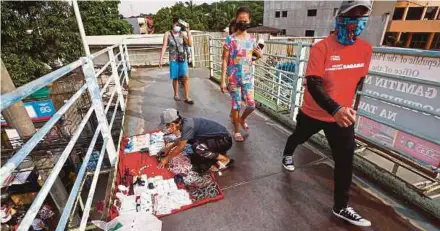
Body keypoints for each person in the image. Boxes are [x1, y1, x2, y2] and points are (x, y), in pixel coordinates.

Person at [281, 0, 373, 227]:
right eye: (353, 14)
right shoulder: (321, 47)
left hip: (342, 118)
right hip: (314, 112)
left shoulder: (365, 49)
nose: (357, 20)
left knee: (345, 161)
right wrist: (335, 108)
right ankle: (287, 153)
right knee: (298, 137)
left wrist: (351, 108)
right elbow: (313, 83)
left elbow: (359, 83)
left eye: (363, 16)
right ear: (340, 16)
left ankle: (341, 206)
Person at [221, 7, 263, 142]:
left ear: (249, 21)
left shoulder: (252, 39)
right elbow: (224, 60)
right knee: (236, 105)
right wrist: (222, 81)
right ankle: (236, 130)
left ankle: (241, 119)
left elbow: (252, 57)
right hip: (233, 78)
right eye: (240, 20)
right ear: (236, 20)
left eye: (245, 21)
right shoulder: (230, 39)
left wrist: (260, 55)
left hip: (248, 78)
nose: (243, 23)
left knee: (251, 104)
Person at [157, 108, 234, 172]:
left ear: (172, 125)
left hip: (224, 141)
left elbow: (181, 147)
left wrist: (166, 159)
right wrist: (169, 148)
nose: (167, 129)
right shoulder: (185, 122)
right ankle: (216, 151)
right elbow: (182, 140)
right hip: (218, 139)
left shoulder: (187, 126)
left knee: (197, 148)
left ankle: (225, 159)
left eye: (167, 126)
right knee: (190, 140)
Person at [159, 18, 194, 105]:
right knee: (175, 78)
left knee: (186, 77)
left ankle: (187, 97)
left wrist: (188, 32)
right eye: (176, 25)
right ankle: (176, 94)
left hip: (182, 58)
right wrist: (161, 59)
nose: (177, 27)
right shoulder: (167, 34)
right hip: (173, 59)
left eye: (179, 25)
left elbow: (190, 44)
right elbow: (164, 46)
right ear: (172, 24)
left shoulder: (182, 34)